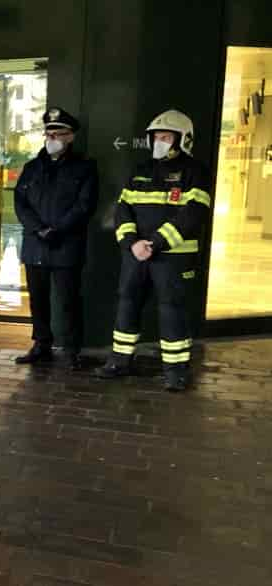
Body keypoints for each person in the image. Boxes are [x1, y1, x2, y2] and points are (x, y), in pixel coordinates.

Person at [96, 110, 211, 392]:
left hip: (173, 257)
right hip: (136, 254)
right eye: (156, 137)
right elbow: (123, 210)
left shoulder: (195, 171)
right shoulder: (141, 170)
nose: (159, 141)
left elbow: (192, 214)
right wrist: (132, 242)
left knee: (173, 309)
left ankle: (175, 370)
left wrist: (156, 243)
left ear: (183, 139)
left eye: (166, 136)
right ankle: (120, 360)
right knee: (128, 302)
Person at [13, 108, 100, 370]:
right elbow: (20, 203)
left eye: (58, 133)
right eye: (48, 133)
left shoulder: (85, 167)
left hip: (66, 245)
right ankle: (41, 344)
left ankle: (73, 350)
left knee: (68, 300)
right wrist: (39, 229)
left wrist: (57, 230)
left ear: (70, 137)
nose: (52, 138)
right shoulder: (31, 167)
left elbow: (84, 206)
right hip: (35, 244)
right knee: (38, 300)